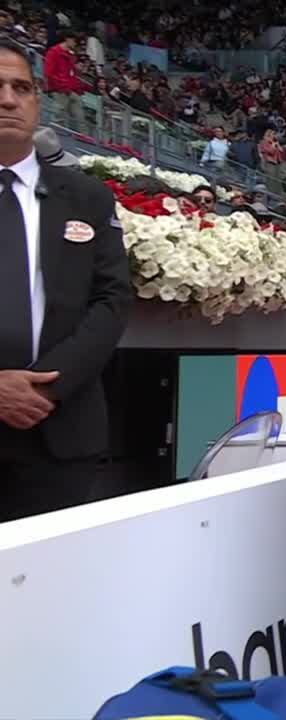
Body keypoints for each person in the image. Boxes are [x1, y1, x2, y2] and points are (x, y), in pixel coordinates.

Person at [0, 39, 131, 522]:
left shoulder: (87, 197)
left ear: (38, 101)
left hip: (60, 430)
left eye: (21, 88)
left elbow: (111, 301)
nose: (8, 100)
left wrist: (46, 387)